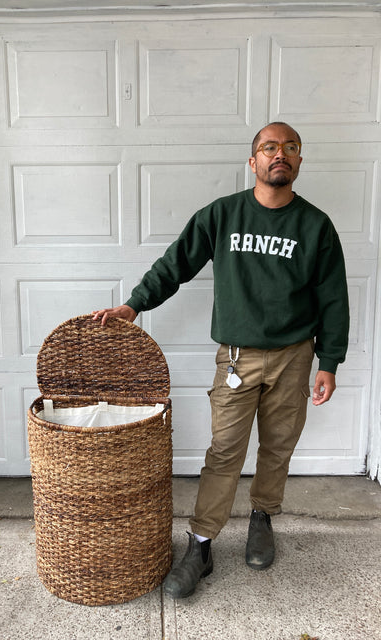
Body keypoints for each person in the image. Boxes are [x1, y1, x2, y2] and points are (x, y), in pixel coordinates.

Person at [92, 122, 349, 599]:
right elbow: (177, 262)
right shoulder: (223, 215)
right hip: (237, 358)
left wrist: (329, 361)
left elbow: (333, 298)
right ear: (252, 161)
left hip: (294, 357)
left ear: (298, 162)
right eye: (269, 147)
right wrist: (135, 304)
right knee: (225, 451)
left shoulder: (315, 226)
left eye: (290, 148)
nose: (280, 154)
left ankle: (261, 518)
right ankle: (203, 544)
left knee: (277, 446)